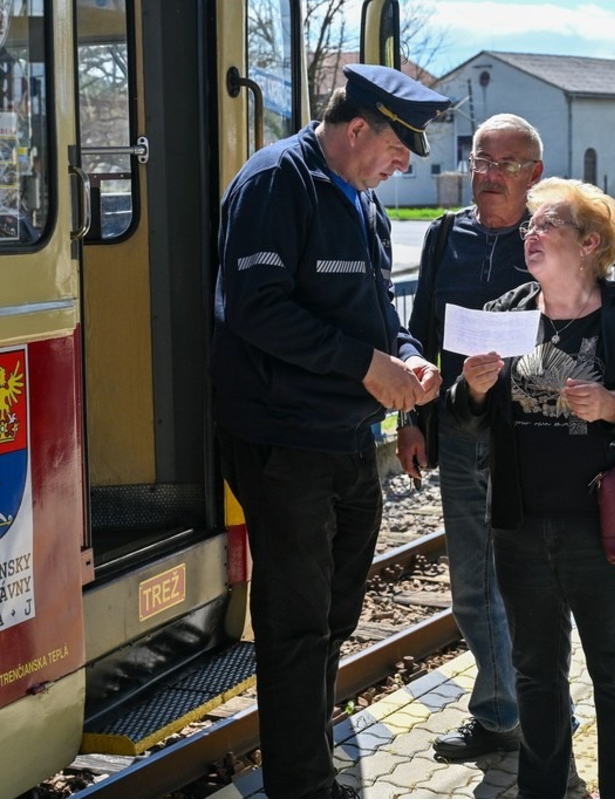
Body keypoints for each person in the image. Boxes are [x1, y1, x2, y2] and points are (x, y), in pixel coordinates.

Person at [210, 64, 451, 799]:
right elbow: (253, 307)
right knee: (296, 624)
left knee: (338, 611)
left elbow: (379, 312)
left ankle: (308, 765)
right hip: (284, 442)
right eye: (399, 148)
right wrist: (364, 363)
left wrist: (405, 360)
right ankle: (302, 786)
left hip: (348, 438)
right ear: (357, 129)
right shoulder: (276, 181)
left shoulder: (363, 203)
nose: (404, 164)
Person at [451, 177, 615, 798]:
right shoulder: (506, 314)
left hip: (604, 528)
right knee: (535, 676)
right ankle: (542, 790)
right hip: (522, 527)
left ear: (588, 244)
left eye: (546, 225)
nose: (530, 234)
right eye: (530, 226)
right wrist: (472, 389)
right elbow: (466, 417)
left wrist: (613, 405)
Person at [396, 113, 544, 760]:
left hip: (530, 441)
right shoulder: (442, 236)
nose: (488, 177)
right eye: (480, 162)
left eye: (505, 166)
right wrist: (409, 419)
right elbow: (419, 332)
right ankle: (498, 716)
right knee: (471, 587)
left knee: (530, 583)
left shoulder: (552, 238)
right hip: (458, 430)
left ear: (532, 175)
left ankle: (538, 714)